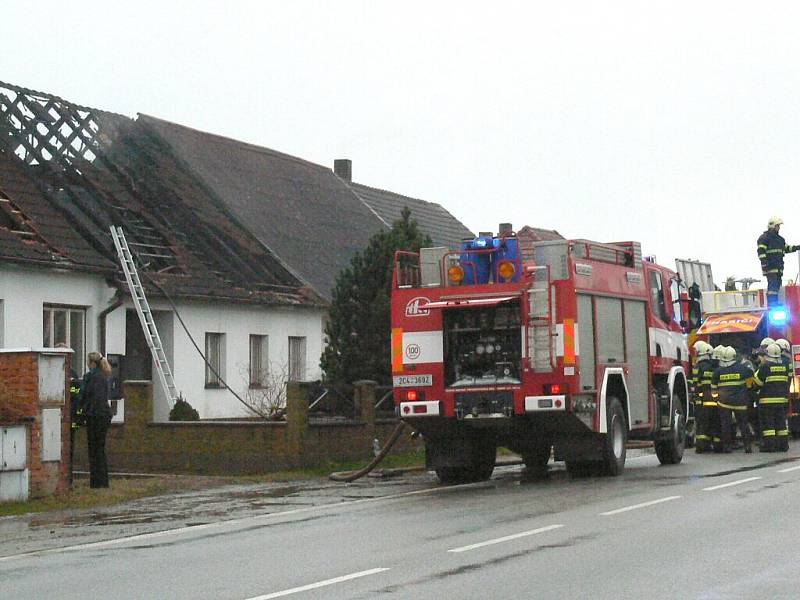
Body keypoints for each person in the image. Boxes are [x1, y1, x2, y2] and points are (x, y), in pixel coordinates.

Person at [79, 351, 113, 488]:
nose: (87, 365)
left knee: (93, 449)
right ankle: (103, 481)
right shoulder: (104, 376)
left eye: (88, 362)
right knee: (100, 448)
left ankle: (95, 482)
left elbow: (82, 394)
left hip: (93, 416)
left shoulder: (90, 377)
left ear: (92, 363)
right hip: (104, 415)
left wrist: (74, 390)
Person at [711, 346, 754, 453]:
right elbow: (751, 376)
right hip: (740, 403)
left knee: (726, 425)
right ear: (734, 356)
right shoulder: (742, 368)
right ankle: (747, 447)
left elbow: (713, 388)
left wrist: (717, 400)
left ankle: (727, 447)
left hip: (724, 403)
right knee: (743, 424)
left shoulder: (718, 371)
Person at [752, 343, 790, 452]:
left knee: (769, 425)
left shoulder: (765, 366)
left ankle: (770, 446)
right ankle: (783, 445)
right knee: (781, 424)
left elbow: (758, 383)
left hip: (766, 401)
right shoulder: (784, 366)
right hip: (781, 400)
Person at [757, 216, 799, 306]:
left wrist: (797, 247)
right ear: (772, 226)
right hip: (770, 267)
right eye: (777, 226)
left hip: (778, 267)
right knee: (772, 287)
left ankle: (774, 303)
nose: (779, 228)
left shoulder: (780, 239)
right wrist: (765, 264)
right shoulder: (764, 238)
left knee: (777, 286)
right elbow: (761, 251)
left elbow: (787, 248)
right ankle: (772, 304)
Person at [692, 341, 716, 453]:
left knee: (701, 423)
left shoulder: (698, 367)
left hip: (700, 400)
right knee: (712, 422)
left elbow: (696, 383)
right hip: (713, 399)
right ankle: (713, 445)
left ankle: (701, 446)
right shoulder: (714, 367)